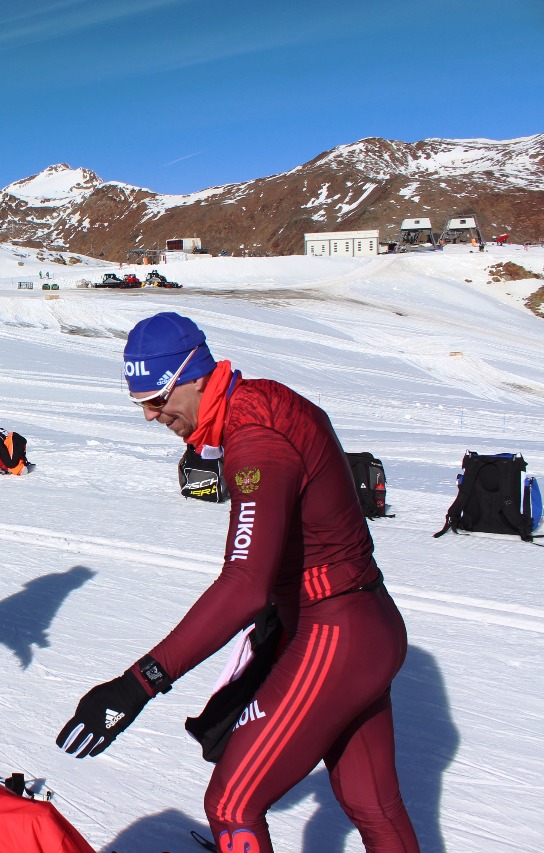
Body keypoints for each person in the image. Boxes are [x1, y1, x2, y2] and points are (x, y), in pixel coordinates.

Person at [57, 312, 418, 853]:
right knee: (374, 805)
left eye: (157, 399)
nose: (152, 416)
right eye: (140, 404)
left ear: (194, 375)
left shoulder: (255, 440)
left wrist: (137, 684)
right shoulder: (261, 401)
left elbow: (245, 584)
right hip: (366, 625)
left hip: (335, 632)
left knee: (231, 805)